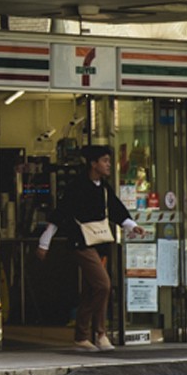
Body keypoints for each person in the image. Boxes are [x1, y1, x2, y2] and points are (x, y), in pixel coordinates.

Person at [36, 144, 145, 352]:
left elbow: (116, 209)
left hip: (99, 244)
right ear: (93, 163)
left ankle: (81, 336)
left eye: (108, 160)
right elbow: (60, 213)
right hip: (81, 243)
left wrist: (133, 226)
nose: (108, 165)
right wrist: (44, 242)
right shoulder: (76, 186)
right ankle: (101, 333)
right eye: (104, 160)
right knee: (103, 285)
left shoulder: (104, 187)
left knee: (90, 290)